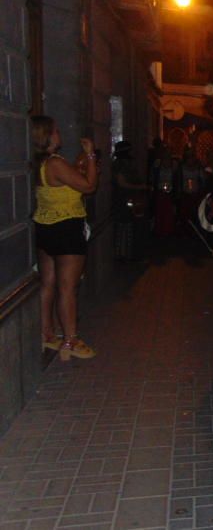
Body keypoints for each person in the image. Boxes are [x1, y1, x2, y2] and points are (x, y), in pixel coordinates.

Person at [31, 116, 99, 361]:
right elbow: (89, 186)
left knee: (48, 283)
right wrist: (91, 156)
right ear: (47, 136)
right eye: (56, 131)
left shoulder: (39, 165)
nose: (60, 134)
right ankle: (70, 340)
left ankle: (47, 334)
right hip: (66, 228)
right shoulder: (55, 163)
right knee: (68, 287)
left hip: (45, 227)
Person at [111, 141, 149, 260]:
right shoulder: (119, 165)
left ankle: (129, 253)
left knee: (130, 225)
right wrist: (140, 187)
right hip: (123, 199)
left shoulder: (125, 164)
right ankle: (123, 254)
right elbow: (121, 183)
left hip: (130, 198)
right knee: (124, 225)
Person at [150, 139, 178, 237]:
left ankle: (168, 231)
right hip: (160, 191)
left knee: (168, 212)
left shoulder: (174, 164)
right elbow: (153, 176)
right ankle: (159, 230)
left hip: (170, 192)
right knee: (160, 211)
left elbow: (176, 178)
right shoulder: (157, 163)